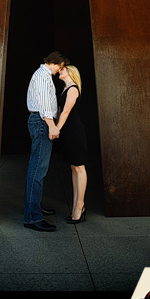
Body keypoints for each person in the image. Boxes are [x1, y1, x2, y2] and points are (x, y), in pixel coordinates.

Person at [24, 51, 69, 232]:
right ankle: (33, 218)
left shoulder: (42, 75)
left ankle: (34, 207)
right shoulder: (43, 76)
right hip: (42, 123)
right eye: (61, 66)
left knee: (38, 169)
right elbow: (43, 104)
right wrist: (52, 125)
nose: (61, 70)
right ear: (56, 62)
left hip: (41, 122)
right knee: (37, 170)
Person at [56, 64, 87, 223]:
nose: (60, 71)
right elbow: (61, 111)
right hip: (68, 132)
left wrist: (56, 129)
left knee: (79, 166)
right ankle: (76, 204)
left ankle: (79, 206)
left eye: (63, 69)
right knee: (73, 167)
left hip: (74, 131)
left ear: (70, 73)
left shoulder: (73, 88)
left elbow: (66, 112)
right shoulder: (64, 88)